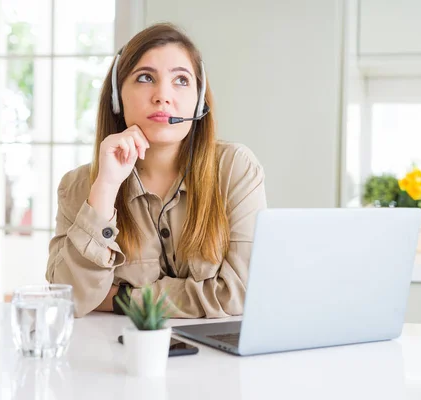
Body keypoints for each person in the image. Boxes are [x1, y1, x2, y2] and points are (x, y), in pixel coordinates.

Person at [45, 23, 267, 318]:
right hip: (114, 354)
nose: (163, 96)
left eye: (181, 80)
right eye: (145, 78)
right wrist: (105, 188)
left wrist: (122, 299)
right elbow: (69, 300)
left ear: (199, 100)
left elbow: (241, 294)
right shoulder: (78, 185)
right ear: (116, 98)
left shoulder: (236, 169)